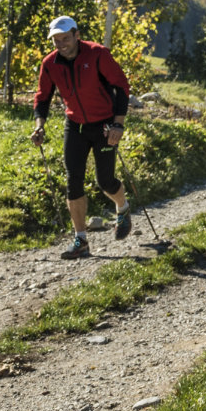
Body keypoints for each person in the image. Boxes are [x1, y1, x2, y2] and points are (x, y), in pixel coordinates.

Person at [30, 15, 132, 260]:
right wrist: (39, 126)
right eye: (56, 40)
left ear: (76, 35)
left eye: (65, 38)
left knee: (105, 181)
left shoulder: (98, 54)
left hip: (105, 125)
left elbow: (121, 86)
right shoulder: (50, 63)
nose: (61, 43)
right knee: (73, 179)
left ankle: (123, 207)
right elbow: (42, 97)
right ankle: (81, 240)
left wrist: (118, 124)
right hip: (74, 125)